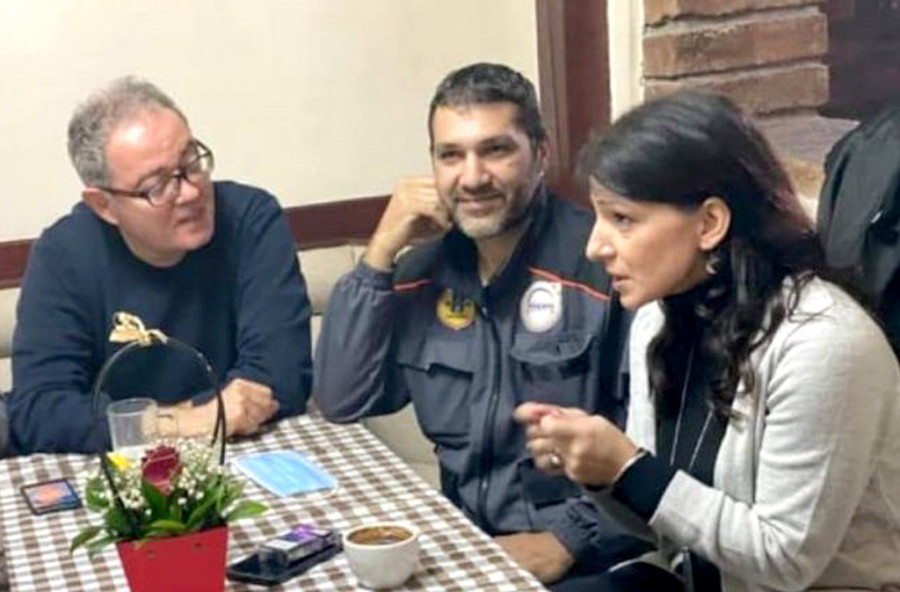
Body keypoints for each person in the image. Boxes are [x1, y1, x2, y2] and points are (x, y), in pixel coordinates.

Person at [516, 90, 900, 591]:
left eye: (622, 219)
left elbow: (785, 561)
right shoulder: (657, 318)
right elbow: (668, 526)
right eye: (598, 216)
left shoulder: (826, 345)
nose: (595, 246)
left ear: (710, 223)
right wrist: (598, 471)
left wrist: (628, 468)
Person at [314, 63, 639, 590]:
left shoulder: (604, 267)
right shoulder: (421, 274)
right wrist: (380, 251)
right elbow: (341, 398)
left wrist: (567, 540)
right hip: (467, 546)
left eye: (495, 150)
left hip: (593, 559)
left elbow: (660, 442)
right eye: (451, 155)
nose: (471, 178)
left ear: (541, 154)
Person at [9, 77, 312, 454]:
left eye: (192, 163)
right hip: (119, 469)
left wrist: (147, 422)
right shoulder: (64, 254)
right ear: (104, 205)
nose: (191, 192)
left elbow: (281, 377)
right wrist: (183, 422)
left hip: (244, 451)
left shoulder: (251, 219)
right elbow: (39, 409)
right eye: (157, 186)